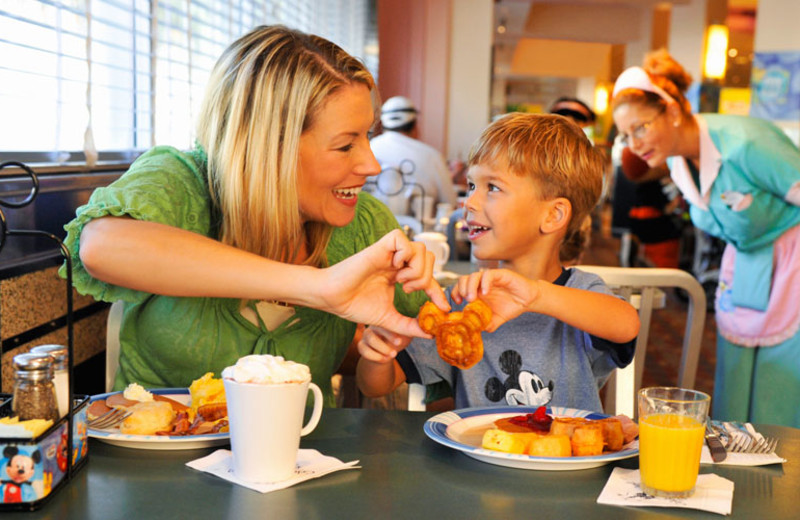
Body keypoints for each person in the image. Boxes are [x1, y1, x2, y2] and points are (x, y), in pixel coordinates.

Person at [59, 25, 448, 406]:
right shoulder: (181, 182)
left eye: (367, 136)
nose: (372, 164)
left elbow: (442, 354)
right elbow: (102, 246)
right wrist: (319, 286)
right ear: (269, 148)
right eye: (346, 145)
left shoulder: (366, 226)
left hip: (304, 464)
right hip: (154, 465)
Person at [356, 113, 640, 413]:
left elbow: (626, 324)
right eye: (470, 185)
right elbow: (376, 387)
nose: (469, 202)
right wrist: (379, 353)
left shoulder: (580, 293)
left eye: (492, 187)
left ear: (552, 215)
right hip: (479, 456)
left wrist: (536, 295)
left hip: (565, 457)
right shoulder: (461, 304)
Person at [611, 49, 800, 427]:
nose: (635, 143)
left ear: (674, 111)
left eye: (641, 127)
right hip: (746, 267)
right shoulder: (679, 163)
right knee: (736, 380)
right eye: (626, 135)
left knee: (780, 386)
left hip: (793, 269)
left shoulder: (746, 144)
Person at [369, 96, 458, 220]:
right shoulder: (431, 155)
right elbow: (449, 203)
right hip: (419, 233)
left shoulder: (369, 148)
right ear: (415, 126)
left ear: (382, 124)